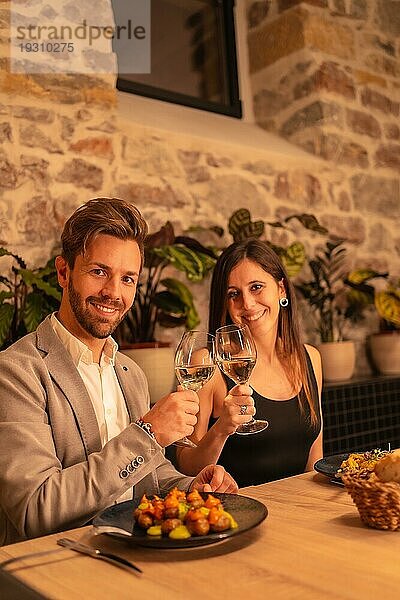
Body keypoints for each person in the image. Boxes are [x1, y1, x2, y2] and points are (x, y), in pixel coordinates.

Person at [0, 197, 237, 546]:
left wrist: (192, 485)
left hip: (134, 555)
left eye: (128, 279)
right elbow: (37, 508)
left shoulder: (129, 372)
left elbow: (147, 476)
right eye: (99, 272)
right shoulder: (16, 372)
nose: (113, 293)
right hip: (58, 570)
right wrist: (150, 433)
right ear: (64, 272)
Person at [176, 239, 323, 487]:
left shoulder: (309, 358)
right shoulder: (208, 363)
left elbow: (315, 460)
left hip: (300, 515)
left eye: (256, 287)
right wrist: (222, 428)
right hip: (237, 517)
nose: (247, 304)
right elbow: (187, 468)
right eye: (234, 294)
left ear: (282, 290)